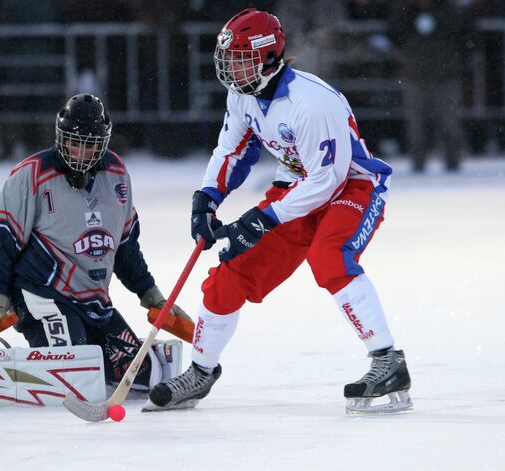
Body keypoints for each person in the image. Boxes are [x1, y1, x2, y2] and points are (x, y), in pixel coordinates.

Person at [146, 8, 412, 414]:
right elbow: (233, 149)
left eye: (240, 59)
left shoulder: (311, 102)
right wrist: (207, 197)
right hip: (297, 188)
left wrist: (263, 218)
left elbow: (327, 179)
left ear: (269, 57)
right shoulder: (243, 95)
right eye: (228, 60)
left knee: (329, 258)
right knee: (231, 272)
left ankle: (387, 360)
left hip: (352, 185)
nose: (231, 70)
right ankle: (201, 372)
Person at [0, 93, 190, 391]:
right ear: (61, 136)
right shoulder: (31, 175)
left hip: (95, 303)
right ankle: (6, 371)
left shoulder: (117, 176)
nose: (81, 152)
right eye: (74, 141)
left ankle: (72, 365)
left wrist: (153, 296)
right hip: (42, 296)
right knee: (75, 372)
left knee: (143, 378)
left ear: (104, 143)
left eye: (91, 144)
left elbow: (125, 247)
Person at [387, 0, 474, 172]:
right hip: (414, 75)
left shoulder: (450, 10)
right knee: (416, 125)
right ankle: (418, 163)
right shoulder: (404, 11)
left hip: (446, 75)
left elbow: (465, 33)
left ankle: (453, 163)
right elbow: (393, 34)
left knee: (450, 123)